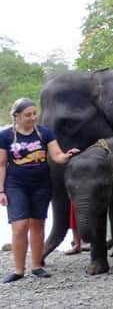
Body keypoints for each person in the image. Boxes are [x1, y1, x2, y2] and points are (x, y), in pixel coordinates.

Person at [0, 98, 80, 283]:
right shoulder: (5, 136)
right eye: (28, 115)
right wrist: (1, 190)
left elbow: (57, 156)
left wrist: (67, 156)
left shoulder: (45, 133)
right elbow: (2, 164)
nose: (32, 117)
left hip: (41, 184)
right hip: (15, 185)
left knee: (38, 224)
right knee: (20, 226)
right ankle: (18, 270)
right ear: (17, 116)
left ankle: (36, 266)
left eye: (34, 114)